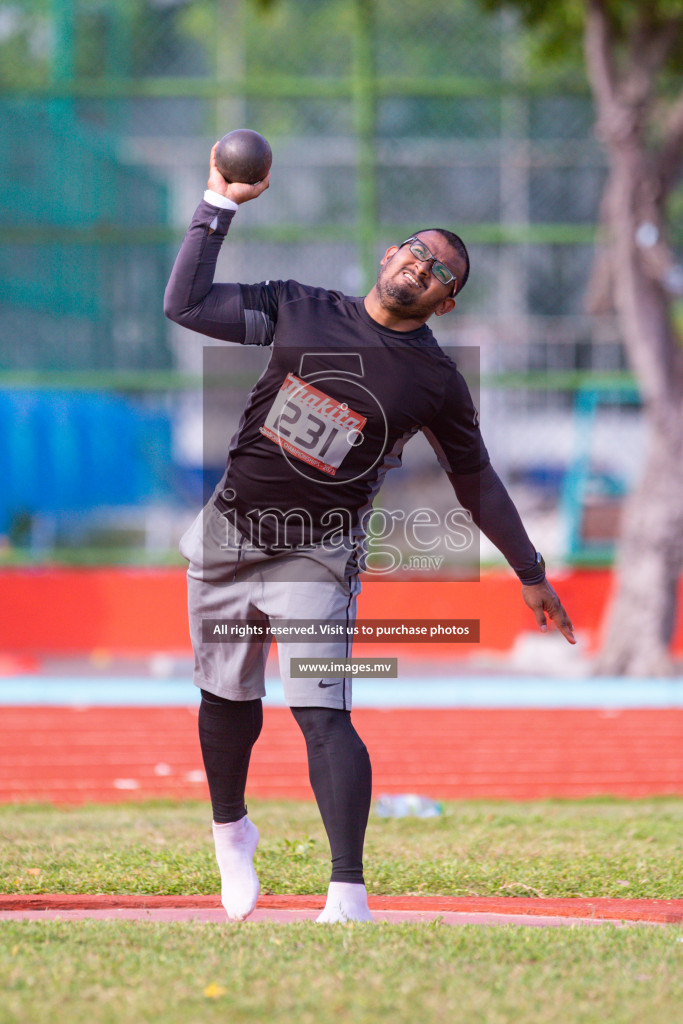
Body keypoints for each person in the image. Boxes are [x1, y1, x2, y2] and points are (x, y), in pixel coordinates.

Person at [164, 142, 575, 925]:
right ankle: (231, 832)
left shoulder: (434, 380)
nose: (423, 268)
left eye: (441, 273)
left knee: (321, 714)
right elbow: (185, 305)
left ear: (444, 303)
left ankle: (346, 891)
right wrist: (217, 207)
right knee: (224, 700)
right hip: (226, 535)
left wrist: (529, 570)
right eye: (418, 252)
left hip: (316, 556)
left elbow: (475, 477)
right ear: (390, 255)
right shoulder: (300, 306)